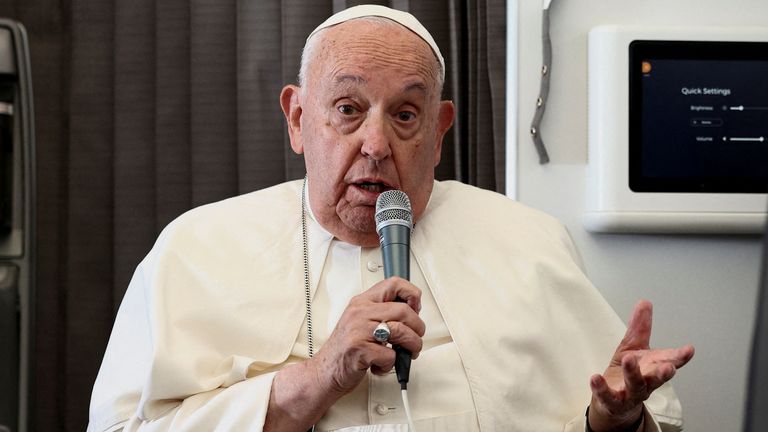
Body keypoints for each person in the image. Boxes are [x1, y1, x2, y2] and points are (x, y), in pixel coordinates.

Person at [87, 5, 694, 432]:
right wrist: (319, 376)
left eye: (406, 115)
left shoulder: (529, 241)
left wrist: (613, 421)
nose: (376, 143)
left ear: (439, 132)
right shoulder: (194, 249)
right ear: (298, 120)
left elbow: (607, 419)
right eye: (348, 109)